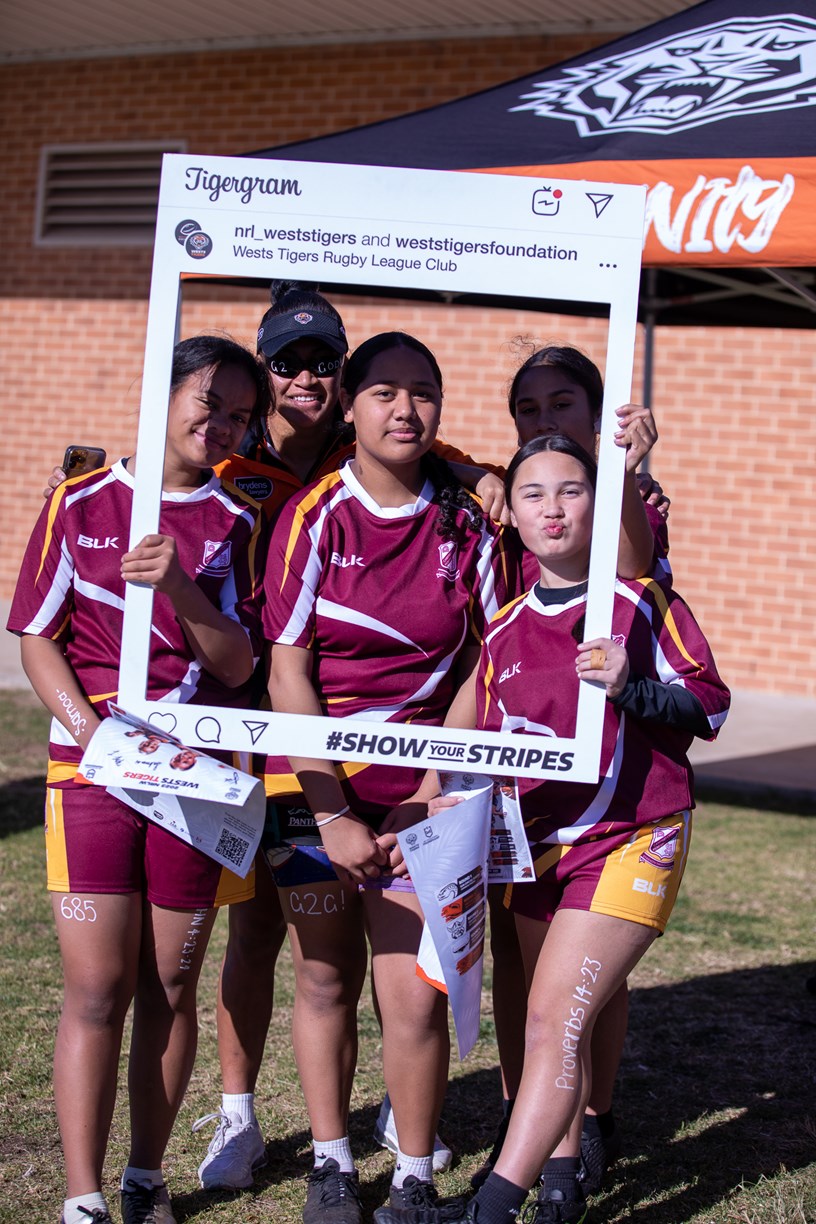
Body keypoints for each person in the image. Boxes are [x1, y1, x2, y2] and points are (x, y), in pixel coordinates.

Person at [376, 433, 729, 1224]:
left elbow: (710, 708)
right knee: (547, 1027)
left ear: (598, 505)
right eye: (532, 494)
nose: (552, 508)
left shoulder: (639, 603)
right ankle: (560, 1181)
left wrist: (633, 686)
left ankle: (488, 1211)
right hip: (539, 851)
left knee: (550, 1020)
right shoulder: (499, 628)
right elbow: (489, 751)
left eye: (571, 490)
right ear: (515, 518)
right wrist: (435, 815)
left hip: (633, 836)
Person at [196, 283, 497, 1187]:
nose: (305, 378)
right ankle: (242, 1118)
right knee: (265, 943)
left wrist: (485, 477)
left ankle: (403, 1143)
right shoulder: (229, 454)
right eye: (286, 363)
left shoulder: (432, 481)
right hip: (267, 737)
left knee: (404, 983)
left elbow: (415, 430)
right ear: (263, 373)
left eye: (324, 362)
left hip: (401, 767)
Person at [7, 335, 270, 1224]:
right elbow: (36, 635)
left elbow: (237, 666)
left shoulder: (234, 521)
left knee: (167, 985)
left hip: (192, 778)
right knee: (94, 990)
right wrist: (90, 737)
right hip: (90, 772)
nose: (222, 423)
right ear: (162, 389)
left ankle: (145, 1176)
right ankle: (82, 1197)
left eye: (241, 413)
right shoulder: (79, 501)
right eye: (210, 401)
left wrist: (184, 593)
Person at [261, 332, 517, 1224]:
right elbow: (287, 672)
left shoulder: (466, 521)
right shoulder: (313, 515)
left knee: (412, 992)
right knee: (324, 977)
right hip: (314, 779)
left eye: (423, 393)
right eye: (383, 393)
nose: (405, 410)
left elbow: (486, 663)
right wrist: (330, 811)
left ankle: (412, 1175)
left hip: (425, 784)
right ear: (352, 406)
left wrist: (433, 785)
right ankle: (331, 1165)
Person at [474, 343, 669, 1196]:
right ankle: (533, 1125)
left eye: (562, 403)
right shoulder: (507, 493)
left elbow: (628, 565)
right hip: (523, 779)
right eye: (528, 407)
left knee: (585, 975)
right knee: (523, 967)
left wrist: (629, 469)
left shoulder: (616, 498)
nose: (545, 420)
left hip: (607, 781)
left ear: (597, 416)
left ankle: (590, 1118)